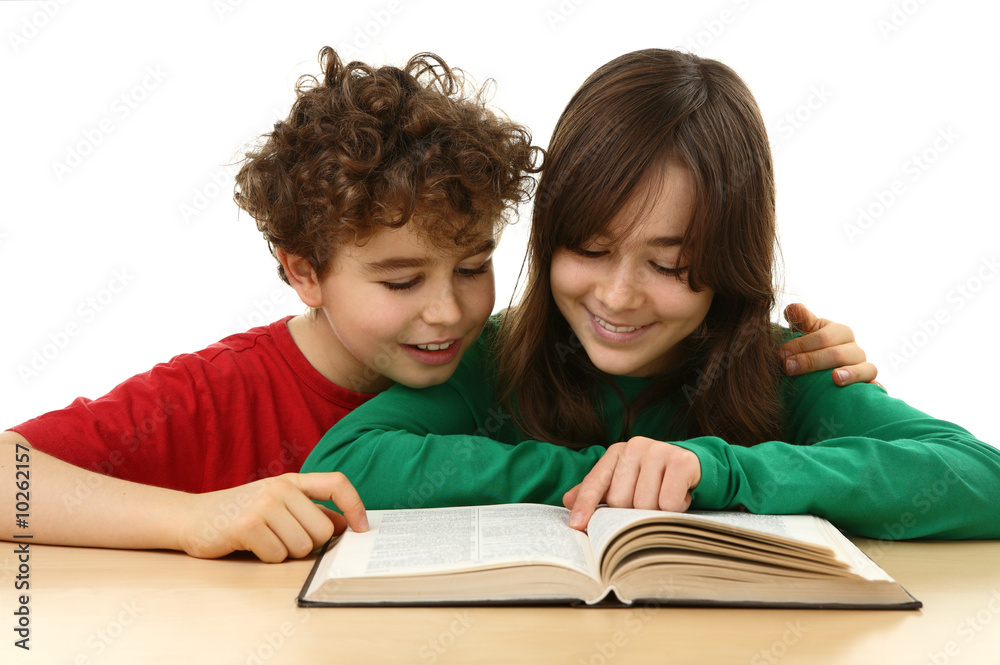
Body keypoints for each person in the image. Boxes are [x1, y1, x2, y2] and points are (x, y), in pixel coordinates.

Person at [302, 48, 1000, 541]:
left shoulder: (787, 364)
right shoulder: (501, 355)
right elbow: (342, 465)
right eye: (590, 250)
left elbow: (980, 477)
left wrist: (717, 470)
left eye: (668, 266)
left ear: (729, 262)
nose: (617, 296)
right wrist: (605, 475)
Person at [0, 47, 539, 562]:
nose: (448, 312)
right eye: (401, 282)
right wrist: (193, 518)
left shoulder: (510, 364)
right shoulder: (218, 395)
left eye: (473, 268)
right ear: (305, 273)